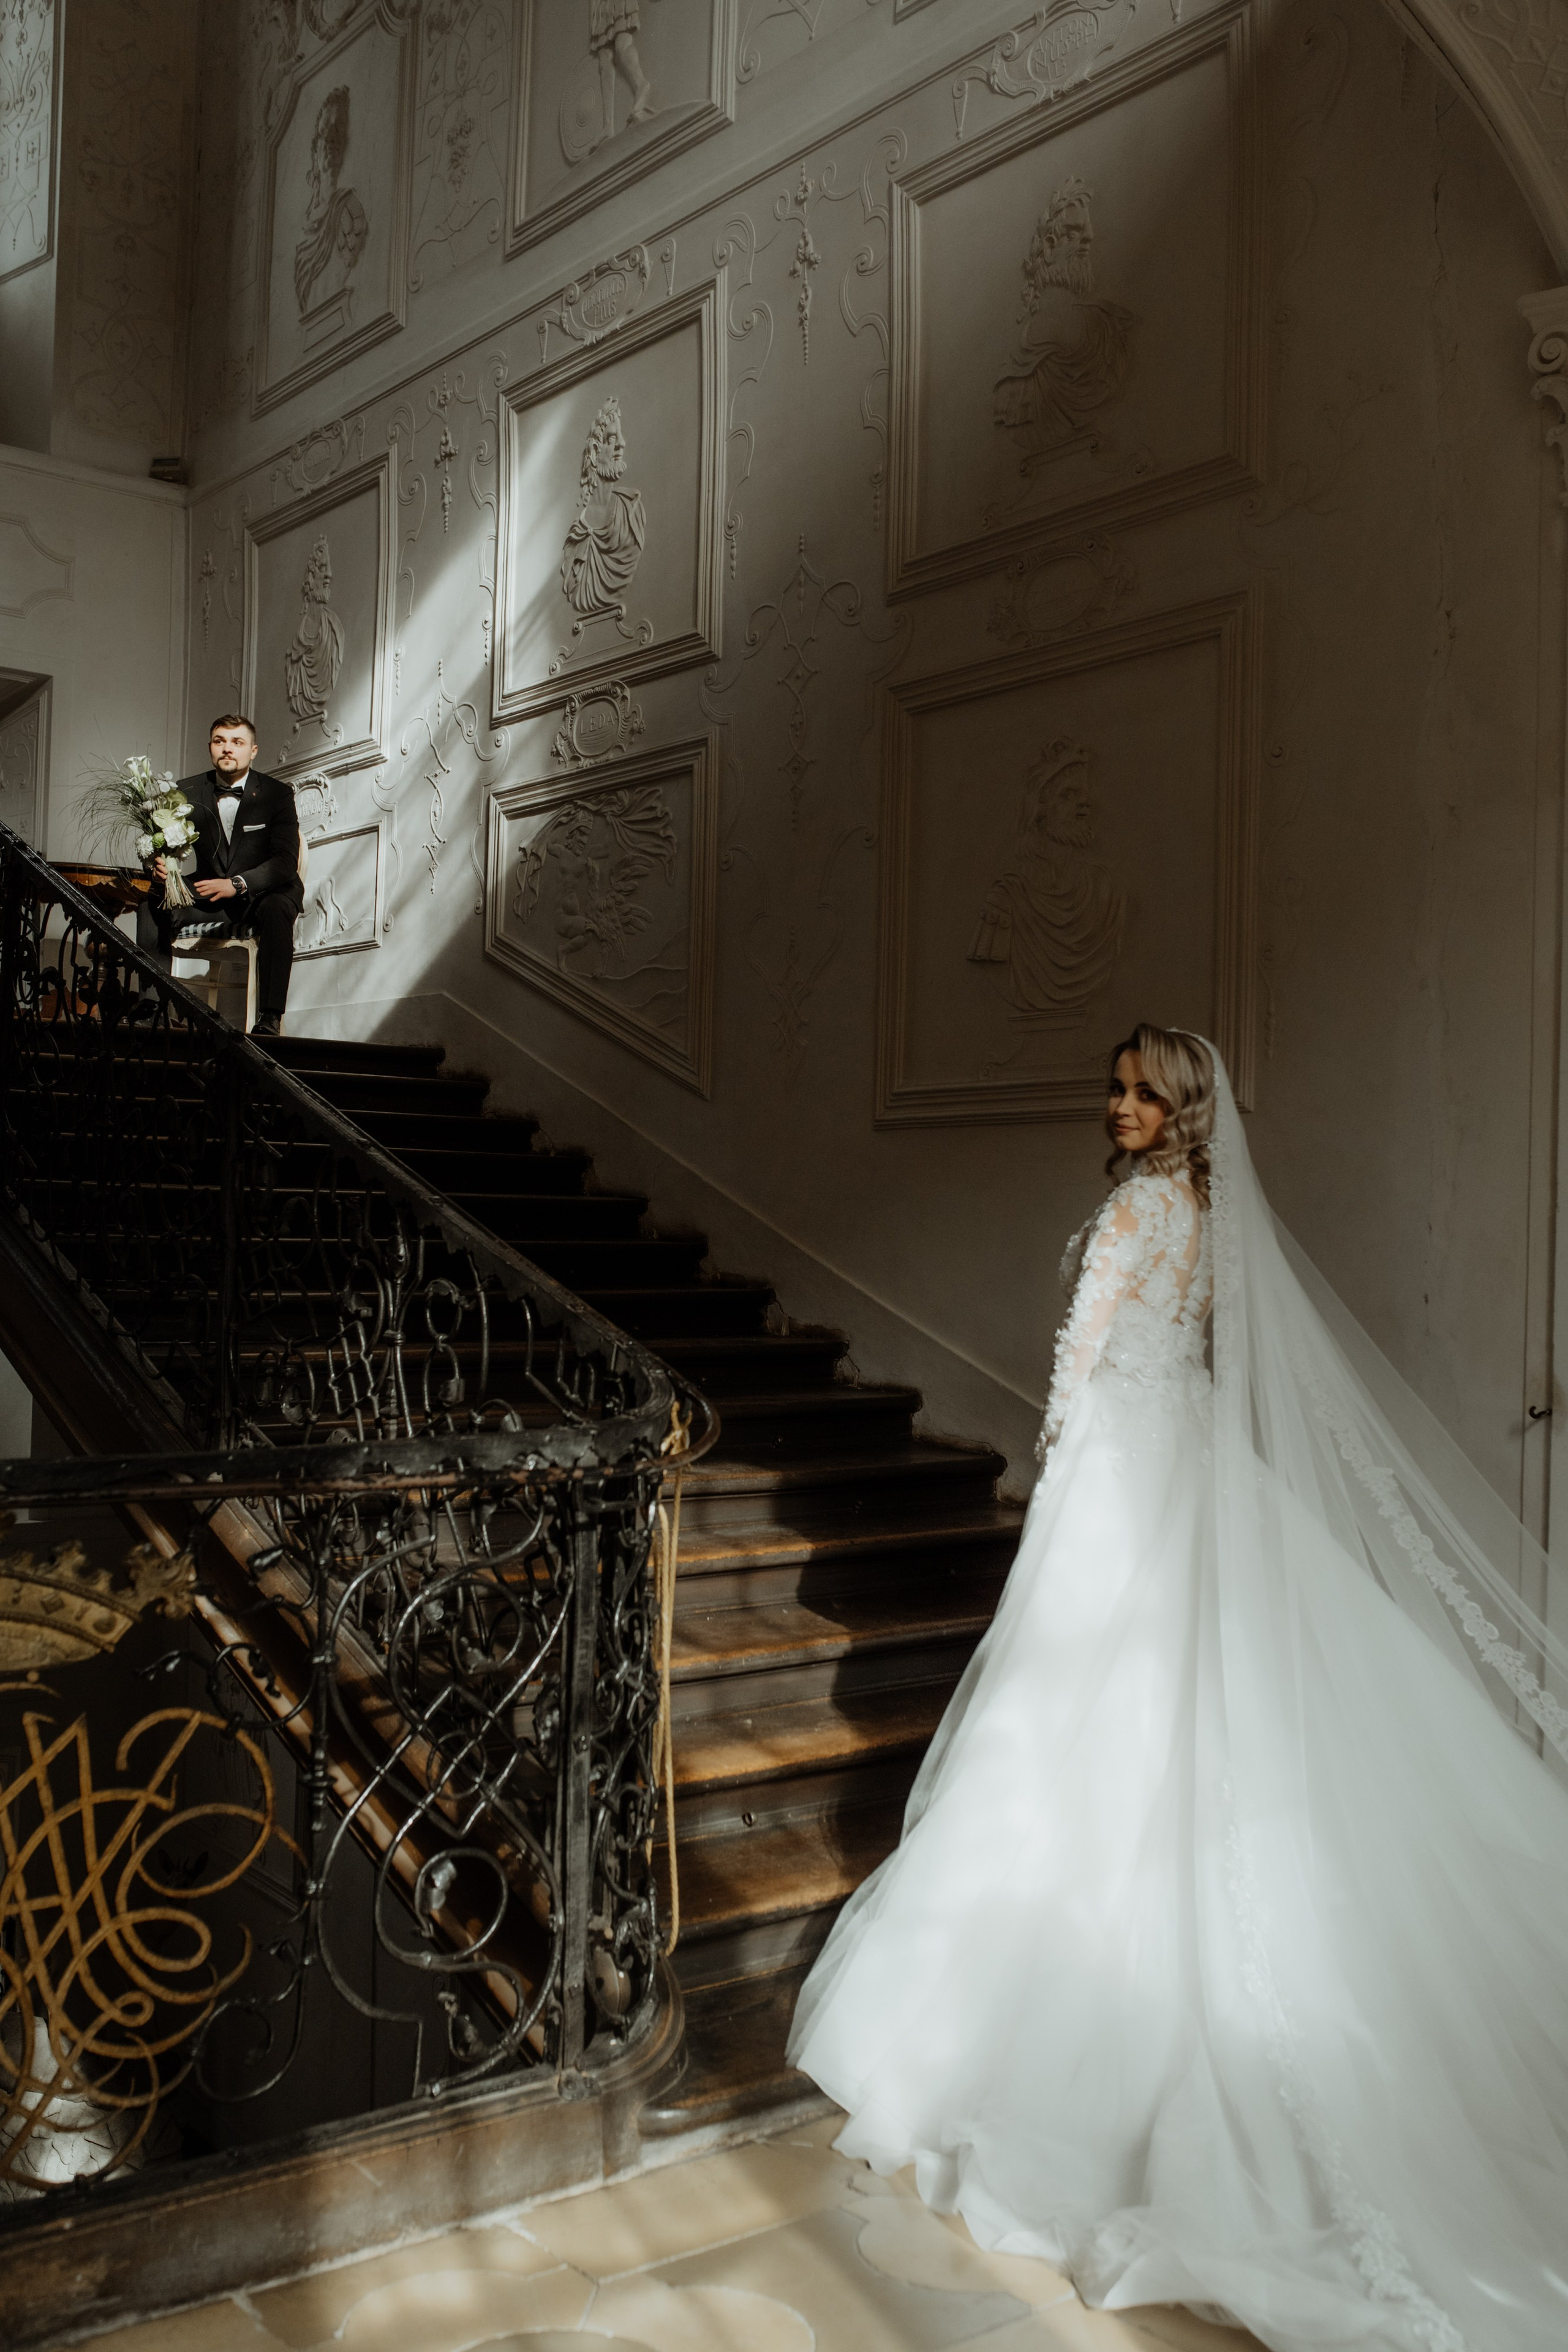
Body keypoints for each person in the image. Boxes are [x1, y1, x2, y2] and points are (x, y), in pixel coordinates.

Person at [789, 1023, 1568, 2351]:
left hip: (1115, 1468)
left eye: (1144, 1092)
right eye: (1117, 1088)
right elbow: (1194, 1352)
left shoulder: (1134, 1208)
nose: (1121, 1105)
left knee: (1070, 1714)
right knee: (1171, 1708)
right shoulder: (1209, 1211)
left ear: (1180, 1108)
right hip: (1187, 1461)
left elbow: (1081, 1361)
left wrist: (1050, 1483)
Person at [139, 715, 302, 1039]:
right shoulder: (184, 791)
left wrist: (238, 884)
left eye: (237, 742)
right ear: (211, 747)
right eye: (219, 741)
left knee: (277, 909)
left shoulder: (277, 794)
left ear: (253, 751)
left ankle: (270, 1017)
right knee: (151, 902)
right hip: (209, 892)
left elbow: (285, 862)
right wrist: (158, 871)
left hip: (262, 894)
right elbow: (155, 844)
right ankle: (152, 1006)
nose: (227, 749)